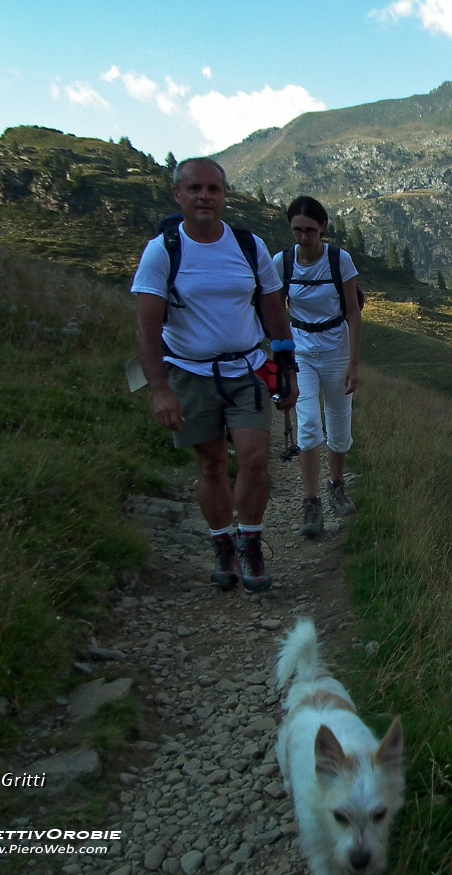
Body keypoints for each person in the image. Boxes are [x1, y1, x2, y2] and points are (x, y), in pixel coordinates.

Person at [131, 157, 297, 592]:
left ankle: (251, 542)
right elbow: (147, 328)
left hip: (247, 369)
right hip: (189, 373)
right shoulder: (162, 251)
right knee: (210, 465)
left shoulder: (248, 245)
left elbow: (273, 311)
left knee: (255, 460)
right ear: (178, 195)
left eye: (214, 189)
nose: (205, 196)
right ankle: (222, 542)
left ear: (224, 196)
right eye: (195, 189)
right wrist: (161, 391)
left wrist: (286, 368)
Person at [273, 196, 362, 537]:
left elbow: (353, 312)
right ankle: (311, 503)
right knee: (308, 424)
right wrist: (282, 363)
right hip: (301, 352)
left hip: (336, 349)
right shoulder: (281, 263)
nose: (303, 238)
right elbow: (275, 310)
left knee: (339, 427)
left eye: (310, 230)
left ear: (323, 226)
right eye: (297, 230)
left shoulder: (340, 261)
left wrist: (354, 363)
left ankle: (336, 484)